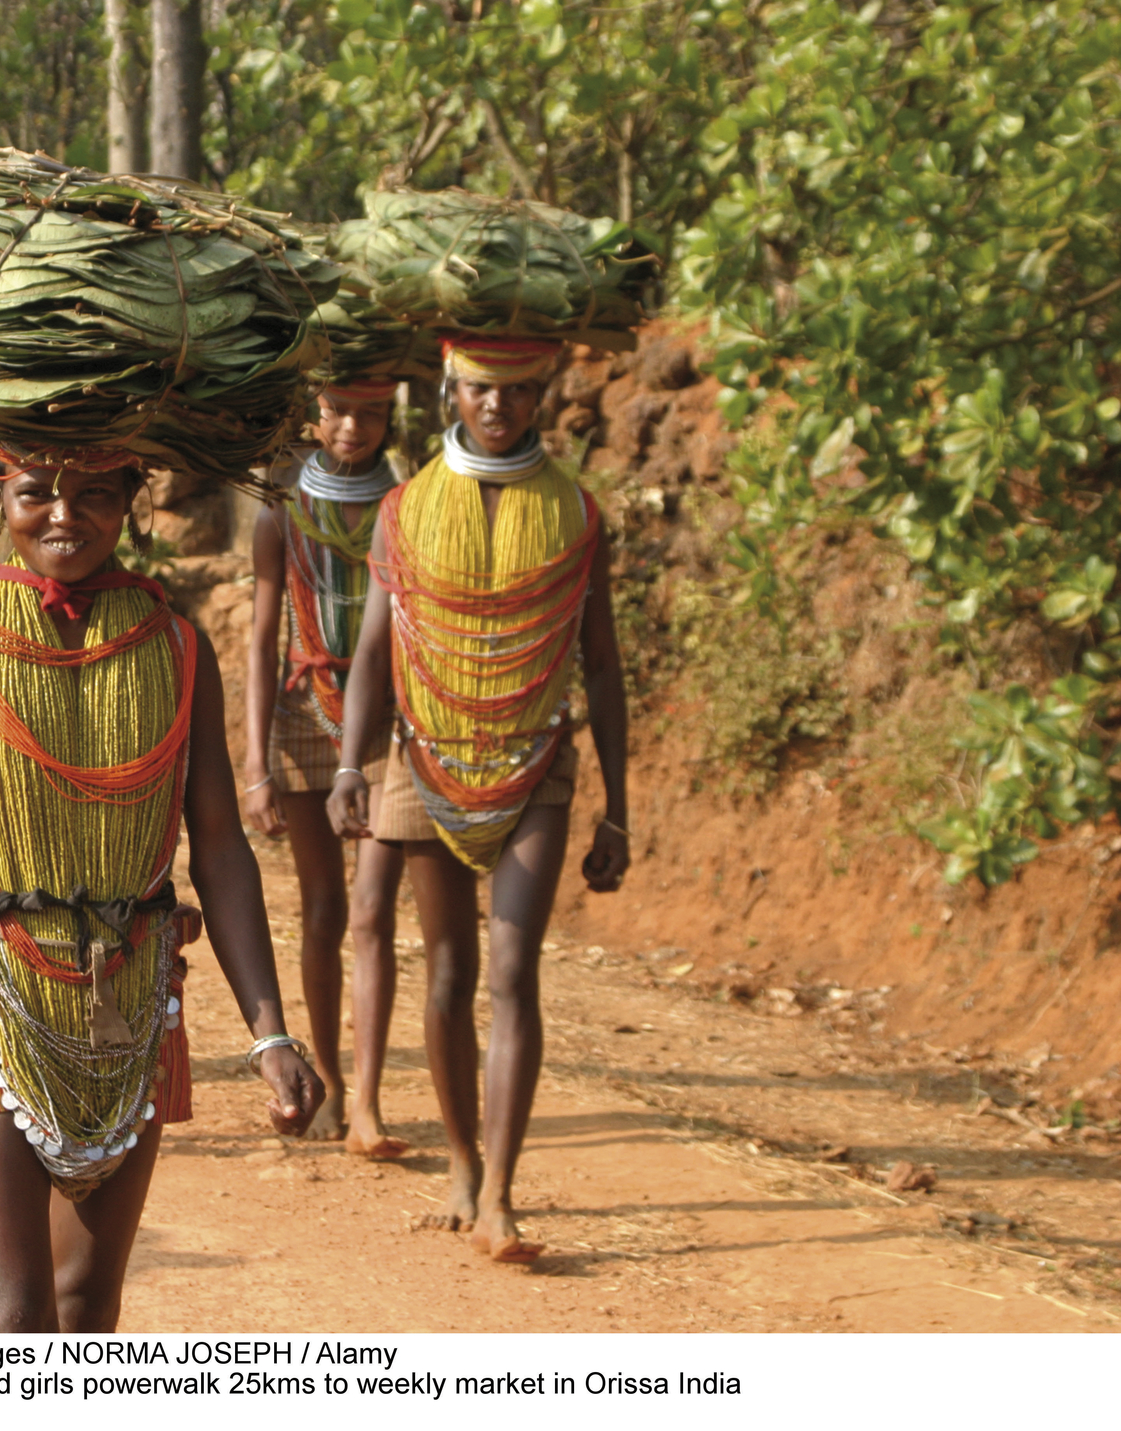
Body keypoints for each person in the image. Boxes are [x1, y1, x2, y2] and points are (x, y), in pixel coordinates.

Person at [0, 440, 325, 1331]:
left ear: (131, 499)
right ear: (0, 494)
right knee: (14, 1315)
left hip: (133, 985)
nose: (65, 516)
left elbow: (221, 848)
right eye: (37, 492)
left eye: (96, 494)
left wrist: (271, 1030)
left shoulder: (177, 648)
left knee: (86, 1307)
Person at [329, 334, 631, 1266]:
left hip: (538, 757)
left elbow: (603, 661)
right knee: (449, 974)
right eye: (481, 389)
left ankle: (501, 1190)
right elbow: (377, 650)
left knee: (513, 973)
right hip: (426, 755)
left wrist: (619, 802)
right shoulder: (407, 509)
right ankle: (461, 1164)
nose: (498, 406)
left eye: (518, 390)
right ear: (451, 391)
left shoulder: (577, 512)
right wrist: (351, 764)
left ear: (542, 394)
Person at [243, 379, 409, 1157]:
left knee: (374, 910)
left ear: (391, 418)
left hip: (387, 725)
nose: (352, 426)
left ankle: (370, 1100)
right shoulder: (281, 508)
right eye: (339, 409)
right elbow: (262, 632)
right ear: (313, 411)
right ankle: (333, 1085)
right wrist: (254, 759)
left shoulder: (406, 504)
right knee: (322, 909)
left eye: (371, 412)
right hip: (303, 712)